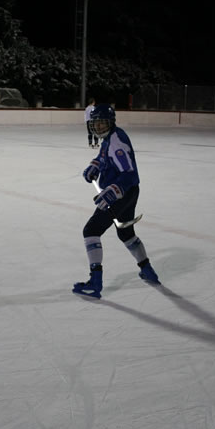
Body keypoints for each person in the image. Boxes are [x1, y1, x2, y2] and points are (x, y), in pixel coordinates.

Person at [73, 104, 160, 299]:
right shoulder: (110, 137)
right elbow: (104, 156)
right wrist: (95, 166)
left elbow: (128, 174)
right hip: (129, 193)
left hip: (123, 193)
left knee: (91, 231)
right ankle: (147, 270)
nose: (99, 126)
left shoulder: (116, 141)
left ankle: (95, 282)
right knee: (126, 233)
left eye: (103, 122)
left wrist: (113, 191)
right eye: (96, 123)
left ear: (110, 123)